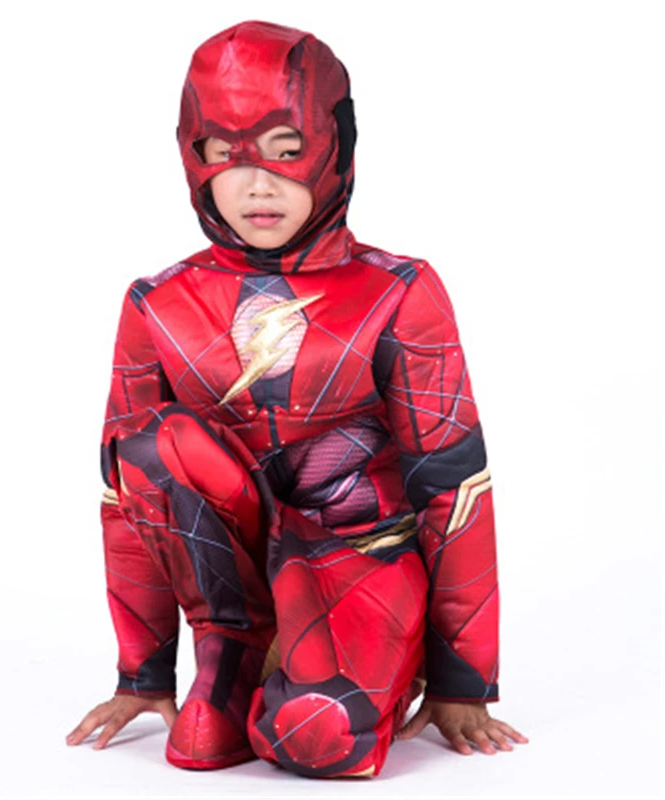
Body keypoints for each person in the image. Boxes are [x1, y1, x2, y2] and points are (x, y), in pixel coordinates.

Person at [65, 19, 528, 778]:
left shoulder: (399, 290)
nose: (258, 185)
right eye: (225, 154)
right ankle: (234, 647)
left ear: (334, 150)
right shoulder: (157, 303)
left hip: (359, 556)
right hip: (234, 577)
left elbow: (453, 488)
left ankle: (344, 660)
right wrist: (141, 672)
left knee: (317, 740)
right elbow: (128, 499)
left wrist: (462, 681)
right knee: (149, 444)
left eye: (286, 151)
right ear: (193, 159)